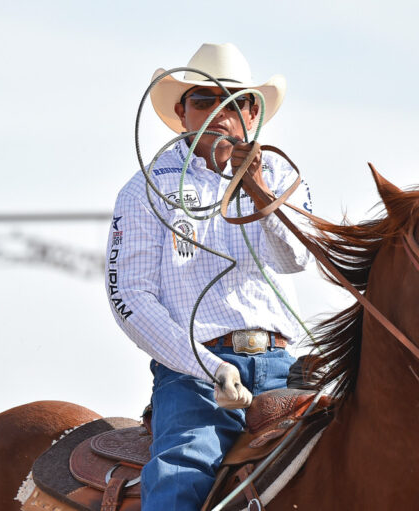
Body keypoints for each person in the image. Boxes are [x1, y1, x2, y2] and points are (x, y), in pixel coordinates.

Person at [105, 42, 313, 510]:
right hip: (193, 376)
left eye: (236, 102)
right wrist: (209, 365)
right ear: (182, 112)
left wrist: (258, 190)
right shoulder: (144, 189)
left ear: (253, 114)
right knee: (181, 476)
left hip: (286, 367)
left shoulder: (279, 174)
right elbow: (130, 298)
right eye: (204, 100)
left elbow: (298, 258)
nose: (221, 113)